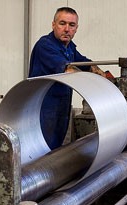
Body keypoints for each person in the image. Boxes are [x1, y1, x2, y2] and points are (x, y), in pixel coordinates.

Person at [28, 6, 106, 150]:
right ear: (53, 25)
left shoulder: (69, 48)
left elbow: (85, 64)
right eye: (62, 23)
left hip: (61, 107)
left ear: (76, 28)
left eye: (71, 25)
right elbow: (69, 69)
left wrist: (107, 78)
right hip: (43, 108)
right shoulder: (45, 45)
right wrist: (94, 88)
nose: (67, 29)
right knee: (42, 151)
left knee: (56, 150)